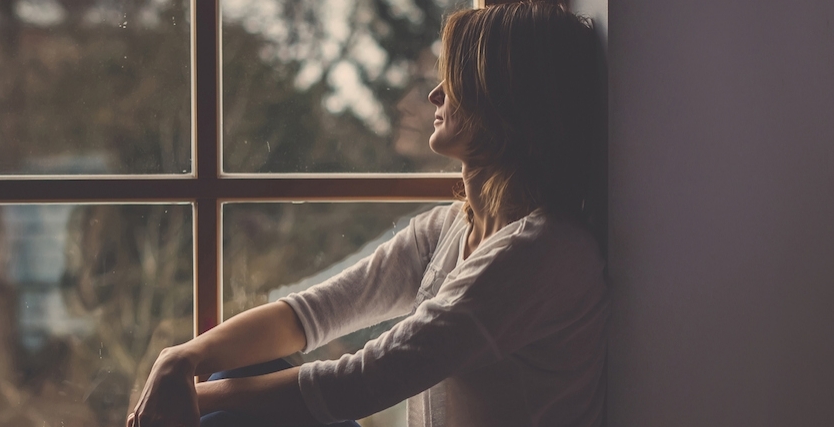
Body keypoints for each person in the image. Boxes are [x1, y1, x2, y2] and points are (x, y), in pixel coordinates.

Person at [127, 3, 607, 426]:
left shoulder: (544, 253)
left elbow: (361, 383)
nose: (435, 94)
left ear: (501, 97)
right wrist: (182, 358)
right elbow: (310, 314)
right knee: (241, 366)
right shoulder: (450, 227)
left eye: (455, 78)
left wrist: (189, 399)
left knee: (223, 411)